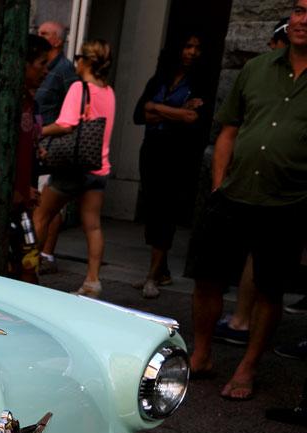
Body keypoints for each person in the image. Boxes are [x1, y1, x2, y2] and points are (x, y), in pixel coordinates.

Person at [187, 4, 307, 402]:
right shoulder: (256, 68)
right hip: (233, 194)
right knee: (207, 278)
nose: (303, 20)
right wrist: (218, 185)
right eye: (299, 10)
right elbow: (228, 130)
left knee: (270, 289)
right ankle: (201, 354)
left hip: (288, 202)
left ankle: (248, 366)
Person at [32, 39, 116, 298]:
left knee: (41, 215)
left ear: (87, 62)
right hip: (98, 166)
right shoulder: (109, 92)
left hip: (73, 167)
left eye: (79, 58)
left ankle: (28, 270)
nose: (75, 63)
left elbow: (66, 124)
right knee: (93, 226)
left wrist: (38, 131)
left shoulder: (80, 88)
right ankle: (92, 281)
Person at [132, 33, 210, 299]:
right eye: (187, 46)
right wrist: (175, 111)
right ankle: (161, 271)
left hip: (178, 155)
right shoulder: (159, 80)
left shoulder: (199, 83)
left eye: (197, 47)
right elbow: (139, 114)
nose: (192, 52)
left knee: (166, 211)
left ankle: (153, 275)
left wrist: (157, 108)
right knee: (153, 208)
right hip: (152, 150)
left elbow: (193, 118)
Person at [34, 20, 79, 274]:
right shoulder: (41, 67)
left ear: (58, 41)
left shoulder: (65, 70)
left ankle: (46, 254)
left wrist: (53, 130)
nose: (38, 35)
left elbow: (72, 108)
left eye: (44, 33)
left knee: (48, 204)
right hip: (39, 141)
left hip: (52, 144)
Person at [9, 34, 53, 282]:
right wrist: (19, 188)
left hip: (24, 198)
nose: (46, 71)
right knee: (22, 265)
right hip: (13, 199)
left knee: (28, 264)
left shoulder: (29, 101)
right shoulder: (11, 102)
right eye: (42, 64)